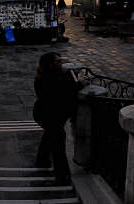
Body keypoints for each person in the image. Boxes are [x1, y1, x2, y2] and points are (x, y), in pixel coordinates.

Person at [32, 53, 81, 183]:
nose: (61, 63)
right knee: (58, 145)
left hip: (46, 114)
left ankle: (41, 161)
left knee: (49, 136)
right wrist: (79, 84)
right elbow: (63, 90)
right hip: (50, 115)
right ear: (51, 64)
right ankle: (61, 175)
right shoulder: (49, 79)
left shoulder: (47, 76)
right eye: (58, 61)